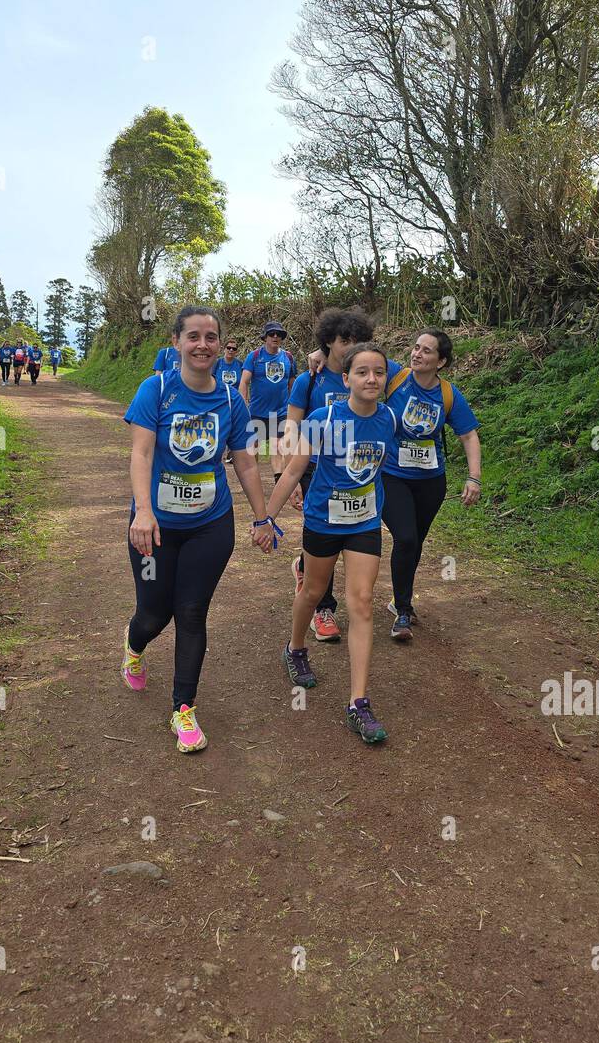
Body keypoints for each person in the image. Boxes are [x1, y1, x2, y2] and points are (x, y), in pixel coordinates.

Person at [122, 306, 275, 755]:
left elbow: (245, 461)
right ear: (177, 343)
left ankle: (183, 709)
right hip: (154, 527)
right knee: (154, 614)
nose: (203, 344)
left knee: (190, 613)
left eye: (211, 337)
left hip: (210, 524)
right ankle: (134, 647)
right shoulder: (157, 389)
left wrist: (262, 517)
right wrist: (144, 512)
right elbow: (142, 454)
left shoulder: (231, 400)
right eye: (193, 336)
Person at [256, 343, 399, 745]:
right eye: (362, 372)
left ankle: (359, 704)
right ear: (346, 378)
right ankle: (295, 648)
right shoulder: (324, 418)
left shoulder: (388, 418)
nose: (371, 379)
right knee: (313, 591)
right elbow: (292, 472)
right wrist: (266, 518)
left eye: (378, 373)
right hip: (323, 520)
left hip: (365, 523)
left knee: (362, 602)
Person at [380, 330, 482, 640]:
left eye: (427, 351)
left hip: (430, 481)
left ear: (441, 361)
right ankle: (402, 611)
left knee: (415, 542)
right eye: (416, 347)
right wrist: (322, 354)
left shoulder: (449, 394)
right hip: (391, 474)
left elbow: (468, 435)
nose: (417, 354)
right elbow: (355, 357)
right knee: (407, 538)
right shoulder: (395, 377)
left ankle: (401, 600)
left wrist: (473, 477)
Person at [284, 307, 377, 642]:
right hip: (313, 469)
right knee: (323, 531)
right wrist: (287, 473)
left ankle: (307, 572)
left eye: (358, 340)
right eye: (344, 340)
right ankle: (323, 609)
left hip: (353, 475)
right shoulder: (310, 379)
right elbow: (292, 425)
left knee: (342, 534)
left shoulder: (366, 374)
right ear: (328, 341)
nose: (351, 346)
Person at [239, 321, 295, 483]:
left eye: (279, 334)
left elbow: (292, 385)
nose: (275, 337)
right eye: (272, 334)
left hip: (281, 411)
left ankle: (278, 478)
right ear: (265, 337)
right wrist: (243, 405)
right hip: (257, 411)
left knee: (277, 446)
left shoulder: (288, 358)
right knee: (253, 446)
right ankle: (252, 476)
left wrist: (296, 408)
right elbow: (244, 382)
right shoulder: (255, 357)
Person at [218, 338, 244, 464]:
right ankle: (219, 453)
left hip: (234, 400)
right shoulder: (217, 364)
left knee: (234, 426)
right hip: (219, 400)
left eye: (234, 349)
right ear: (224, 349)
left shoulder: (239, 365)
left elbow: (243, 383)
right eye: (229, 348)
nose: (231, 350)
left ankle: (231, 453)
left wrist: (245, 400)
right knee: (221, 426)